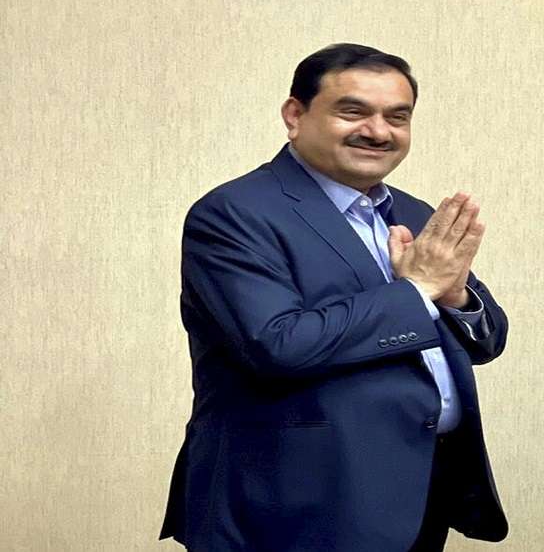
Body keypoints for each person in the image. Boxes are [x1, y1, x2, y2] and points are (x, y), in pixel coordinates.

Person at [160, 43, 509, 551]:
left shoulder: (412, 211)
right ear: (295, 115)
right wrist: (419, 292)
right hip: (293, 508)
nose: (378, 130)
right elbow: (278, 345)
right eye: (353, 111)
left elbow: (486, 340)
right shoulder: (234, 214)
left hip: (414, 494)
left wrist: (455, 298)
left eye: (398, 116)